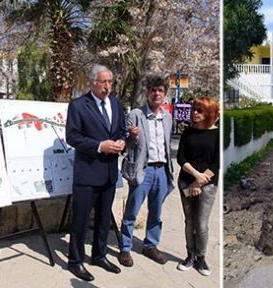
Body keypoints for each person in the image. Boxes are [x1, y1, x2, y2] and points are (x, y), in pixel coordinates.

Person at [65, 64, 136, 282]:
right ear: (92, 82)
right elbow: (72, 137)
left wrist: (123, 141)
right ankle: (75, 261)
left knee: (104, 219)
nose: (107, 86)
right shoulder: (78, 106)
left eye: (110, 82)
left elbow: (121, 130)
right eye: (103, 82)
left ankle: (99, 255)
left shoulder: (115, 103)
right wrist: (99, 146)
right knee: (80, 220)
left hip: (108, 173)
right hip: (87, 174)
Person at [119, 75, 174, 267]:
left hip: (161, 170)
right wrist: (131, 137)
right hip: (143, 170)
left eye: (160, 90)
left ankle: (151, 245)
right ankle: (125, 248)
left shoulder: (167, 118)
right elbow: (123, 144)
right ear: (147, 93)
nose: (156, 94)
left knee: (156, 212)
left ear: (165, 94)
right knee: (132, 211)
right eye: (153, 90)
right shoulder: (136, 115)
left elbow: (167, 145)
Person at [175, 96, 219, 276]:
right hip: (186, 181)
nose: (195, 113)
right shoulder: (187, 132)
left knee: (201, 224)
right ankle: (190, 255)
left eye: (199, 110)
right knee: (189, 221)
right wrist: (195, 176)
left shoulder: (217, 134)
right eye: (194, 109)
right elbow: (181, 158)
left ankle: (201, 257)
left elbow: (217, 163)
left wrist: (199, 181)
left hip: (207, 185)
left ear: (208, 113)